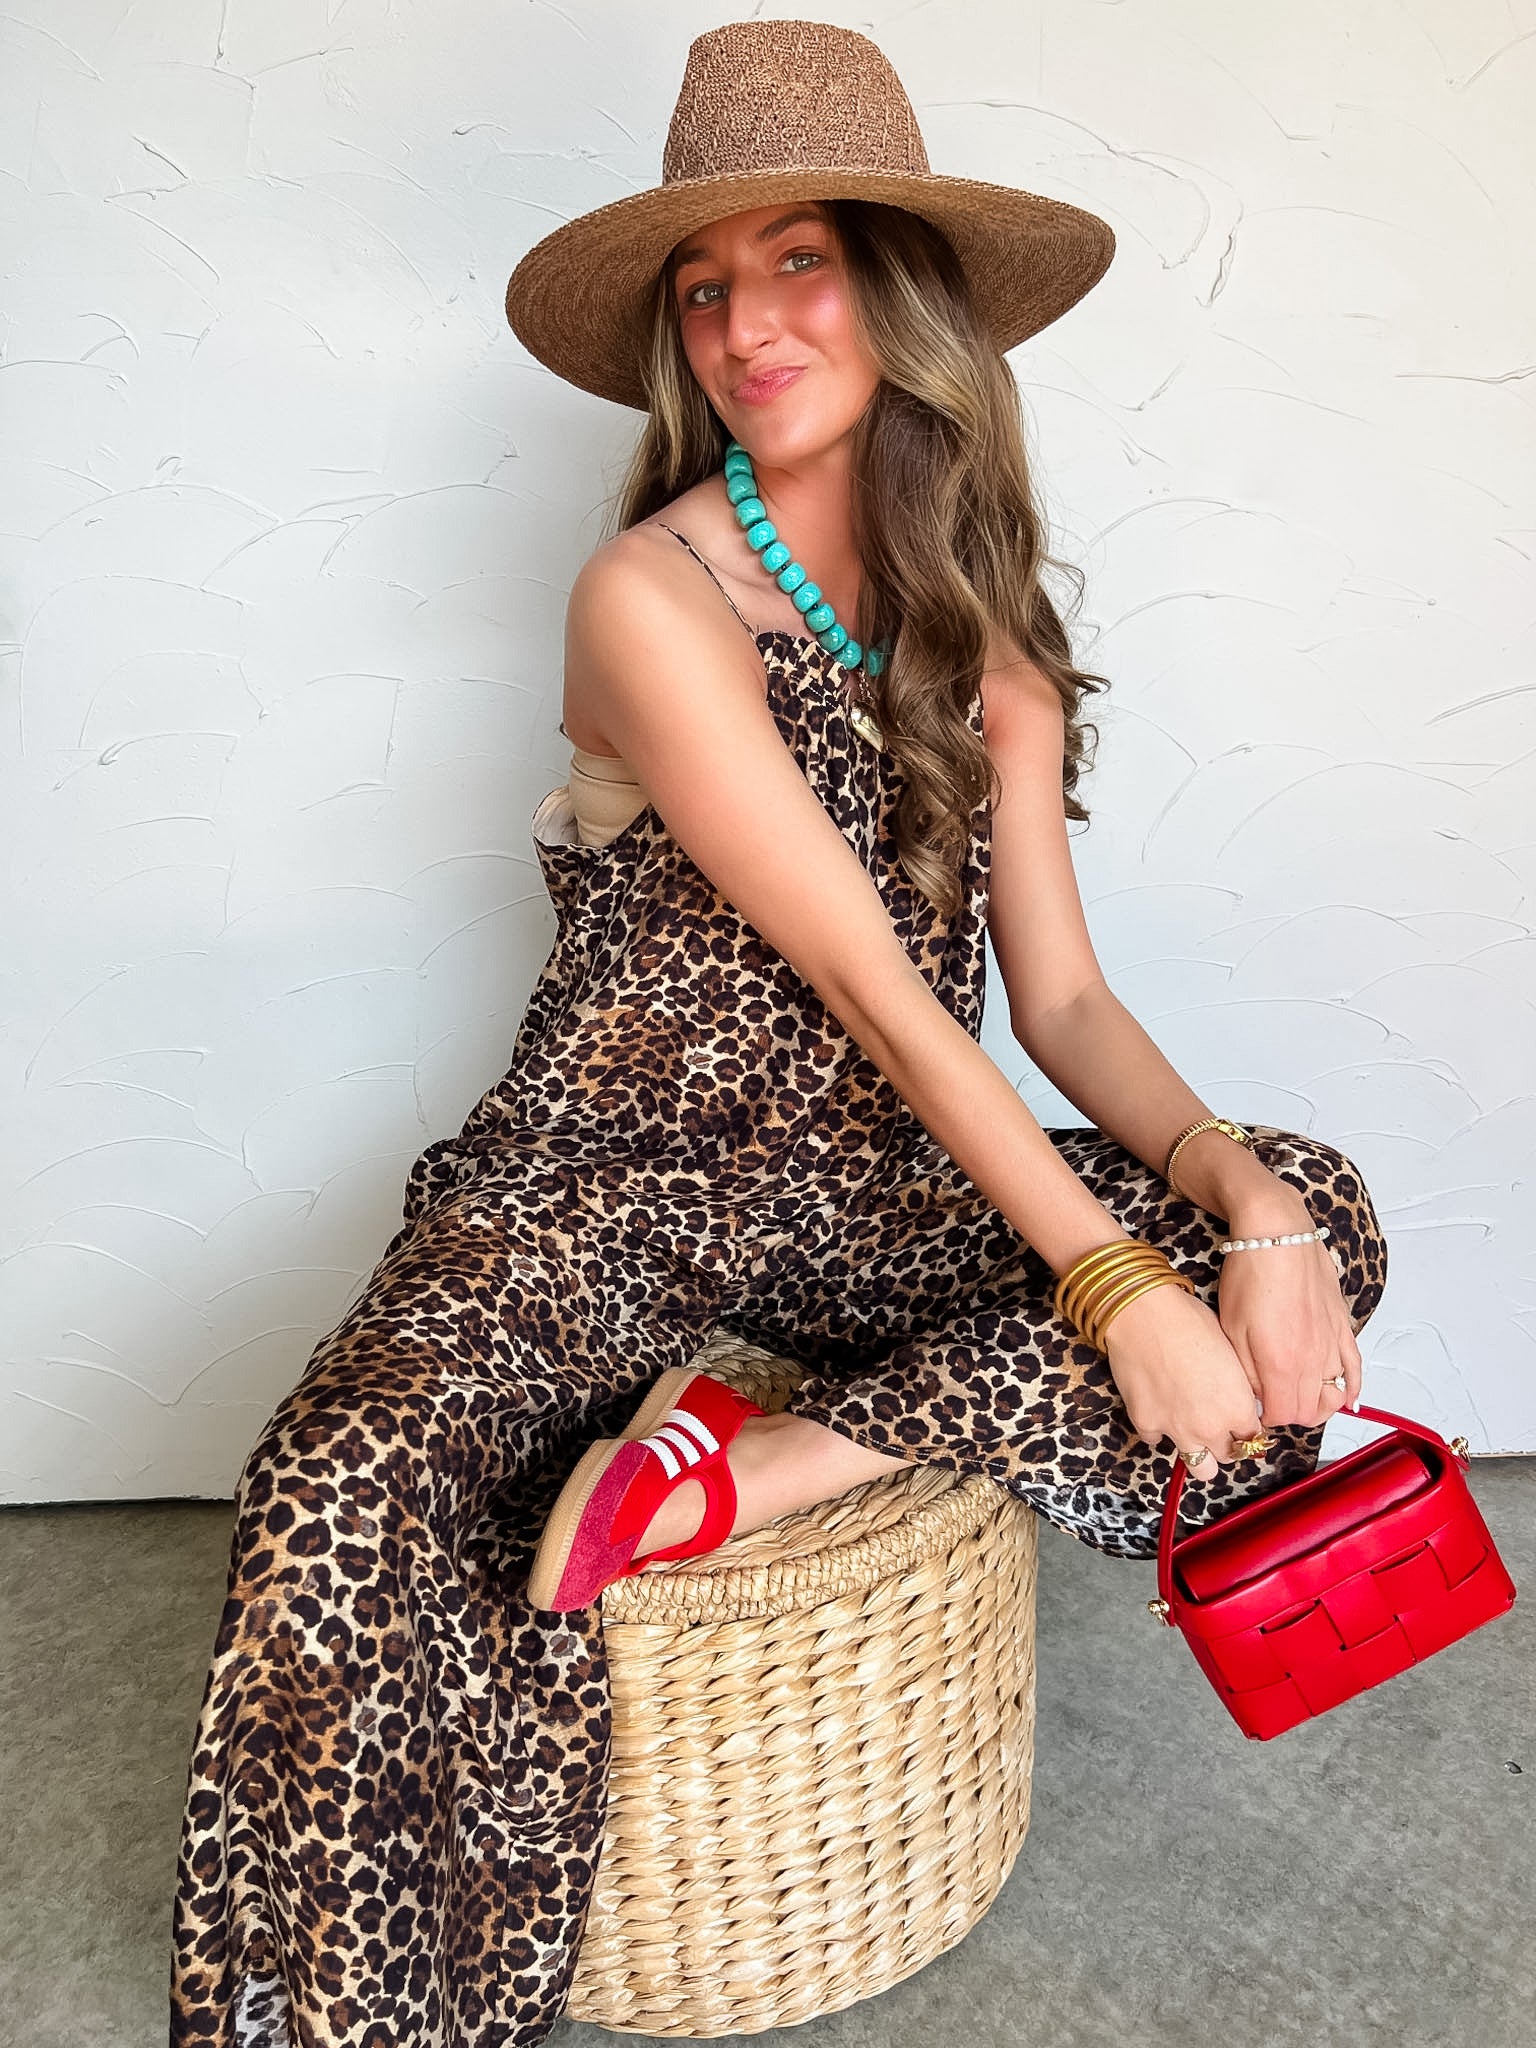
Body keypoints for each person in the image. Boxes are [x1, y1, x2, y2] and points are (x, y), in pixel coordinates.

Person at [169, 18, 1389, 2046]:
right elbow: (872, 986)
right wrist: (1111, 1288)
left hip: (878, 1201)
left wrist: (1242, 1212)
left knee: (1319, 1210)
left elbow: (1063, 1000)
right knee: (337, 1477)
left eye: (800, 259)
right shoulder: (647, 593)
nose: (745, 323)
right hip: (604, 1190)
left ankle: (764, 1468)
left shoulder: (986, 639)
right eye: (704, 285)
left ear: (903, 296)